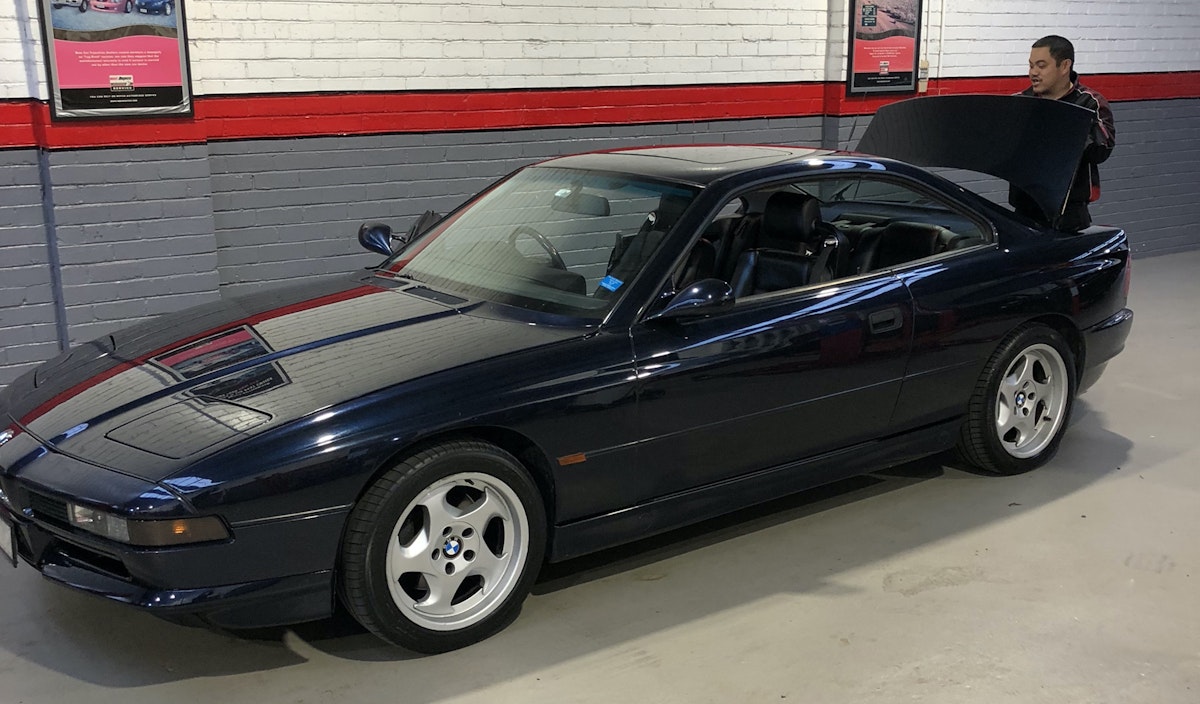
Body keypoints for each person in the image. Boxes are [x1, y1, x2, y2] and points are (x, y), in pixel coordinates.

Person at [1010, 35, 1116, 231]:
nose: (1033, 72)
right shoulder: (1019, 103)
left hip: (1071, 216)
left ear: (1065, 66)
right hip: (1024, 212)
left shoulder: (1090, 103)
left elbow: (1102, 149)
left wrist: (1058, 128)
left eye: (1041, 66)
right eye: (1031, 65)